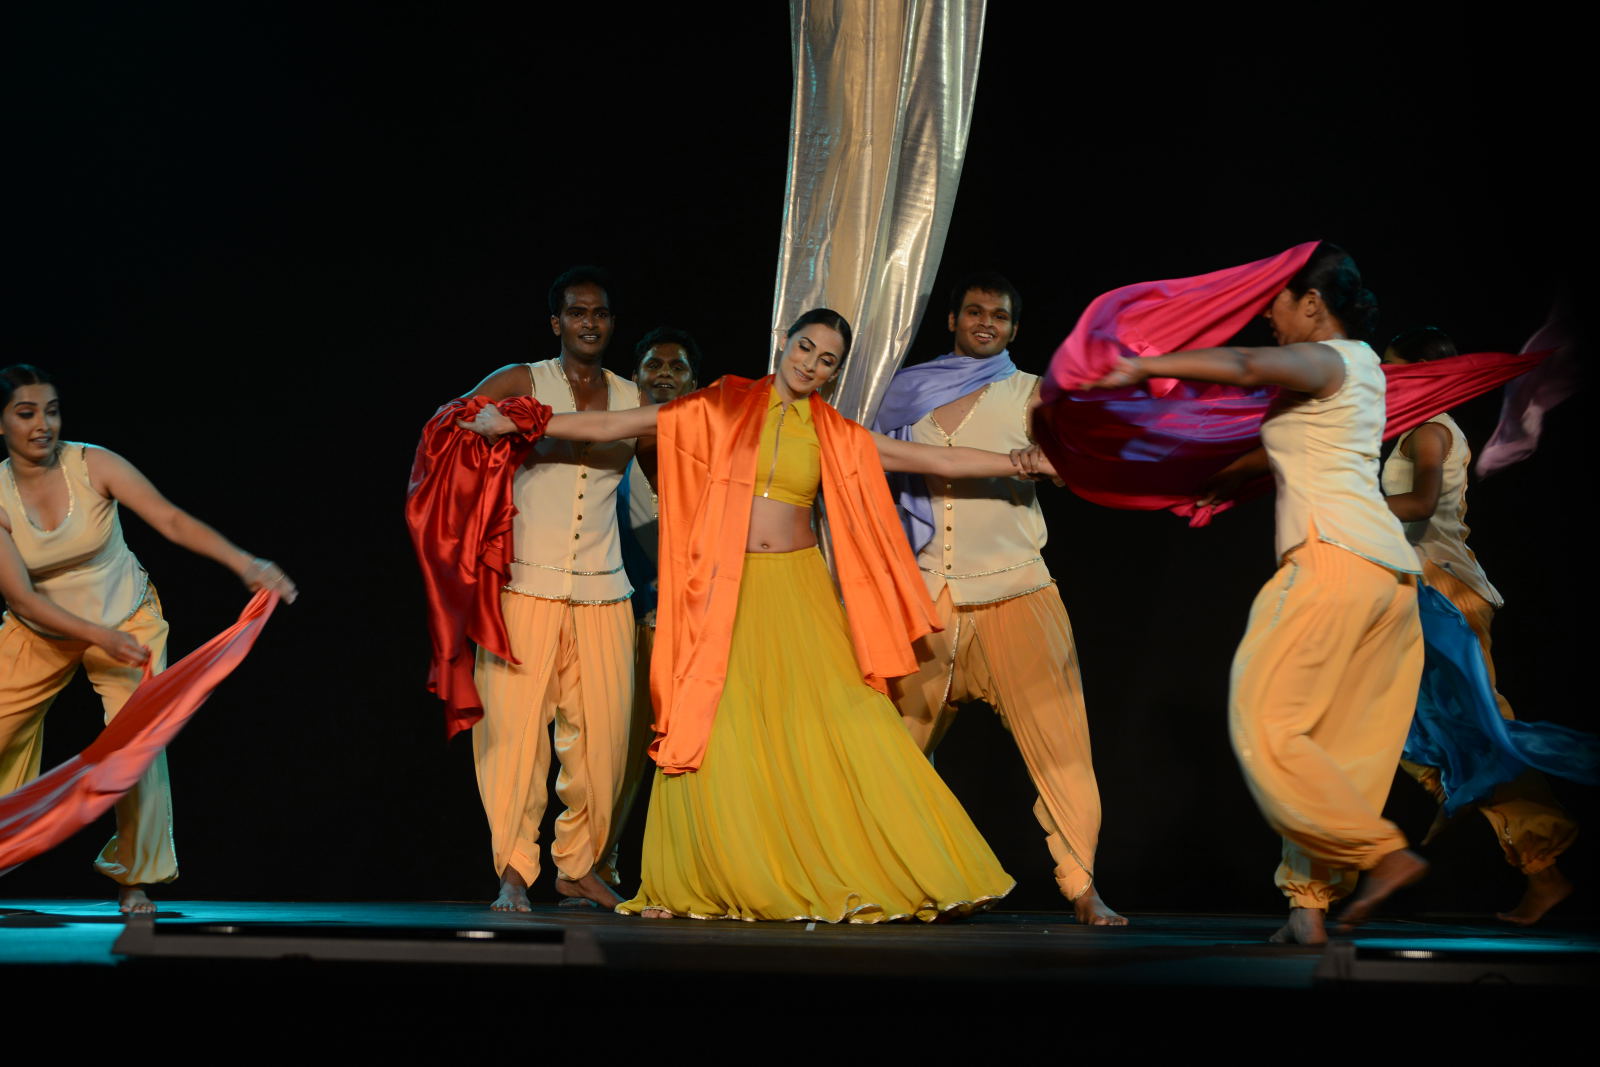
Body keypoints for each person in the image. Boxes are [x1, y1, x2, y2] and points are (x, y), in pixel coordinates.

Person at [462, 309, 1029, 921]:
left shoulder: (833, 432)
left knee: (848, 724)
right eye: (804, 347)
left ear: (835, 373)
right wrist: (523, 421)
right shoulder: (723, 405)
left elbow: (936, 463)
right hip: (728, 594)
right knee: (721, 734)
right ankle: (735, 872)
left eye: (826, 359)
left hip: (799, 593)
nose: (810, 363)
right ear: (783, 344)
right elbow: (619, 421)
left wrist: (1022, 463)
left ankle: (905, 865)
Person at [1087, 245, 1428, 945]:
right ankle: (1309, 905)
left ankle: (1384, 854)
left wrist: (1144, 364)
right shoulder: (1361, 372)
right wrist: (1233, 474)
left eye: (1276, 301)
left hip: (1331, 563)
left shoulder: (1330, 356)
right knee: (1336, 750)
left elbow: (1245, 367)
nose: (1268, 315)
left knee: (1265, 723)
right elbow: (1305, 443)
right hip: (1389, 582)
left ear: (1312, 302)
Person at [0, 364, 295, 913]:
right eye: (26, 413)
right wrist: (96, 636)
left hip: (128, 617)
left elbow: (170, 519)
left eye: (52, 410)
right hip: (40, 629)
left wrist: (245, 563)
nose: (44, 424)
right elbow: (22, 599)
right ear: (1, 424)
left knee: (136, 744)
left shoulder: (93, 464)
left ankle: (134, 876)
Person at [876, 272, 1122, 925]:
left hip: (1016, 588)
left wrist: (1055, 461)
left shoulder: (1033, 393)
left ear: (1013, 329)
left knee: (1062, 747)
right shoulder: (905, 393)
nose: (986, 321)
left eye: (1000, 315)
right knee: (891, 747)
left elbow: (1077, 466)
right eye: (975, 311)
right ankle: (906, 880)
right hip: (927, 595)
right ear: (952, 319)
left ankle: (1081, 886)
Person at [451, 265, 645, 912]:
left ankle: (578, 866)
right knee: (512, 735)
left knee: (604, 742)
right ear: (556, 322)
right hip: (525, 586)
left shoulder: (629, 394)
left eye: (602, 312)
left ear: (611, 323)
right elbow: (452, 424)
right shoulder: (526, 380)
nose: (591, 322)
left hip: (606, 590)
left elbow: (658, 484)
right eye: (578, 312)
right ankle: (513, 868)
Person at [1381, 326, 1577, 924]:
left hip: (1446, 599)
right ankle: (1468, 798)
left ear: (1425, 375)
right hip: (1425, 597)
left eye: (1397, 371)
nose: (1386, 381)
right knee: (1417, 732)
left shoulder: (1432, 430)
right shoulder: (1420, 429)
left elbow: (1416, 506)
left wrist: (1338, 500)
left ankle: (1541, 867)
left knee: (1478, 737)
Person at [608, 327, 700, 875]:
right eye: (652, 365)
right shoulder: (612, 449)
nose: (664, 373)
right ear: (634, 378)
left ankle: (684, 869)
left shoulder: (710, 454)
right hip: (625, 618)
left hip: (692, 624)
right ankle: (600, 861)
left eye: (677, 367)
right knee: (618, 750)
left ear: (696, 383)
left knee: (687, 749)